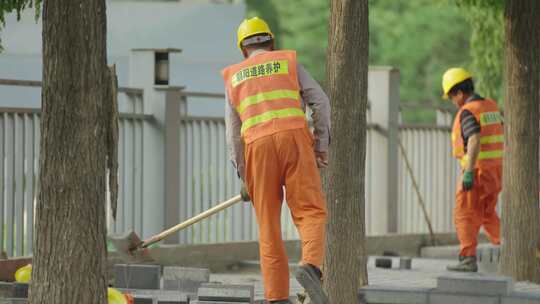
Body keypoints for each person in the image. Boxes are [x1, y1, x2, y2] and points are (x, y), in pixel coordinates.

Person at [222, 17, 331, 303]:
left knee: (268, 225)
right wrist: (320, 145)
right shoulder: (288, 62)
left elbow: (233, 134)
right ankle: (310, 266)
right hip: (295, 141)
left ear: (243, 49)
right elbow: (320, 102)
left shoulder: (234, 76)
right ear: (270, 42)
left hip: (256, 148)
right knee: (310, 211)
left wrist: (243, 173)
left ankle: (277, 297)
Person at [442, 67, 504, 272]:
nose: (453, 101)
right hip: (495, 171)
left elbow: (475, 139)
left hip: (476, 172)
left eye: (452, 96)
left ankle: (467, 259)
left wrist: (468, 171)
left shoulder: (468, 111)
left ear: (459, 92)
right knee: (487, 214)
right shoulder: (491, 106)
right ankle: (512, 247)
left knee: (465, 213)